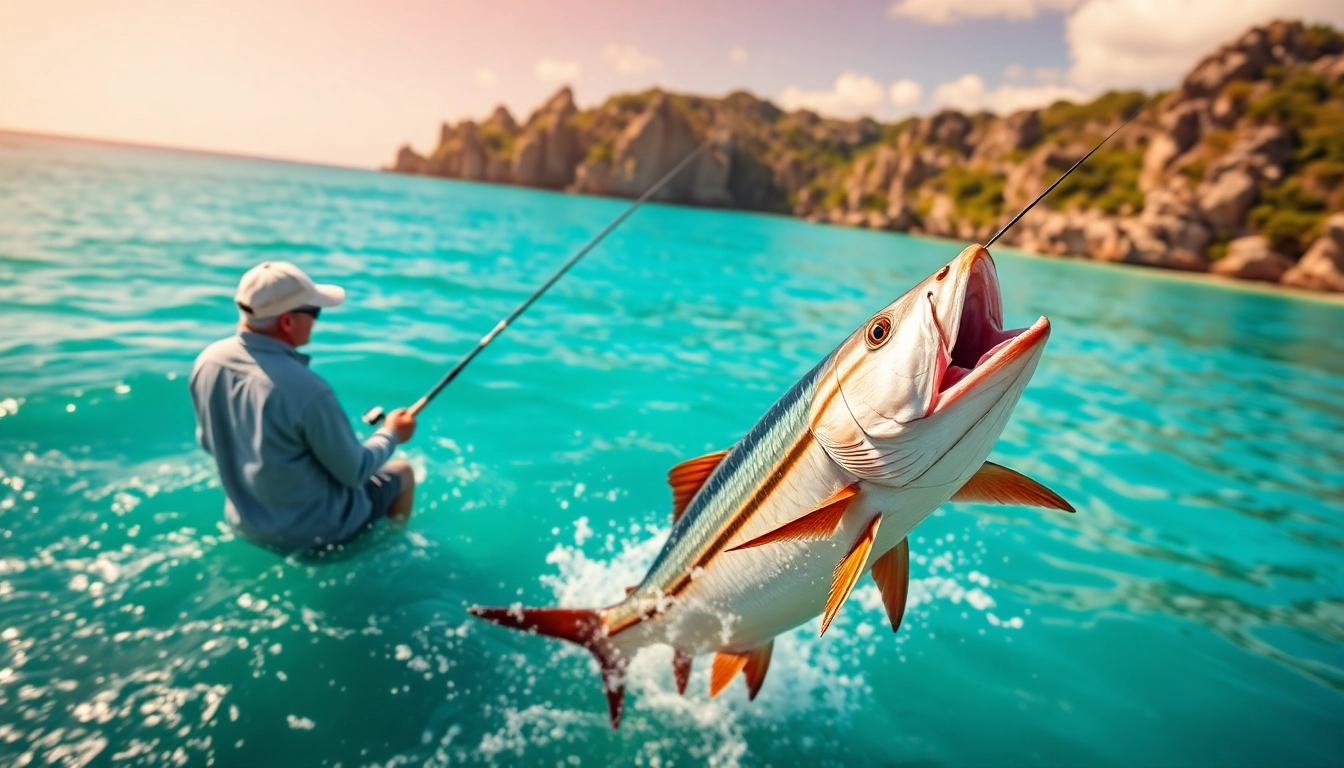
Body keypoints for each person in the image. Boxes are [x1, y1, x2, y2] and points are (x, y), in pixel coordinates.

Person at [189, 261, 417, 554]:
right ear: (287, 322)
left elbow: (209, 443)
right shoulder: (308, 390)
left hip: (247, 525)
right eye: (314, 312)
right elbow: (355, 472)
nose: (317, 320)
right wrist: (392, 433)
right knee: (403, 473)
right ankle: (390, 552)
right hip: (320, 538)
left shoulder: (208, 361)